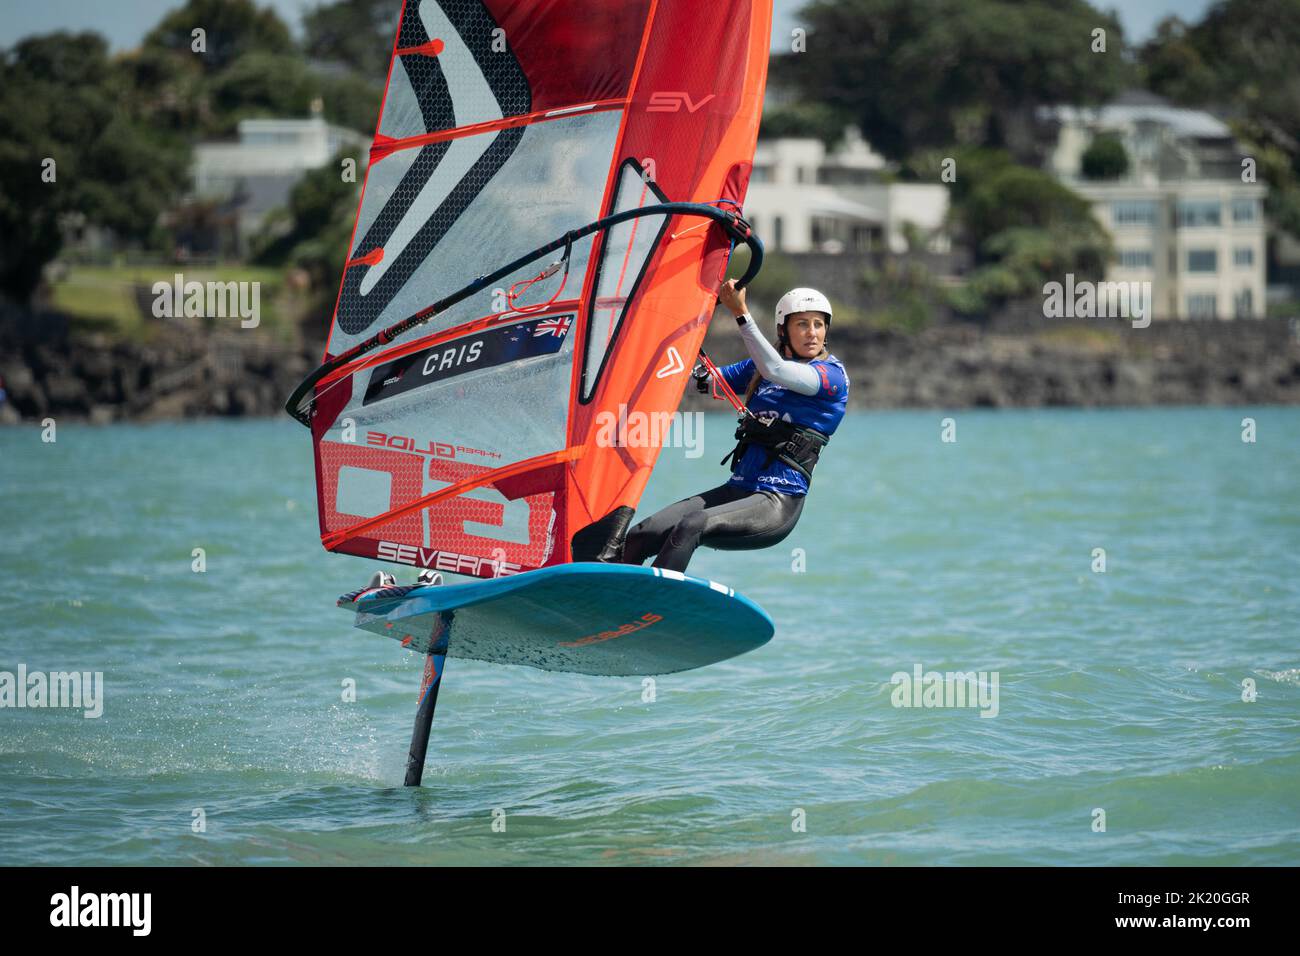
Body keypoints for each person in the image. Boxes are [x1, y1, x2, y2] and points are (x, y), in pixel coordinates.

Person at [618, 281, 849, 572]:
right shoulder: (757, 369)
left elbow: (776, 370)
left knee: (692, 525)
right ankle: (601, 602)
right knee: (642, 535)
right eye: (802, 324)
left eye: (818, 324)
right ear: (783, 330)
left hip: (775, 502)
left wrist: (741, 313)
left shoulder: (832, 377)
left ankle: (656, 606)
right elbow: (691, 381)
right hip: (736, 490)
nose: (812, 332)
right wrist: (641, 354)